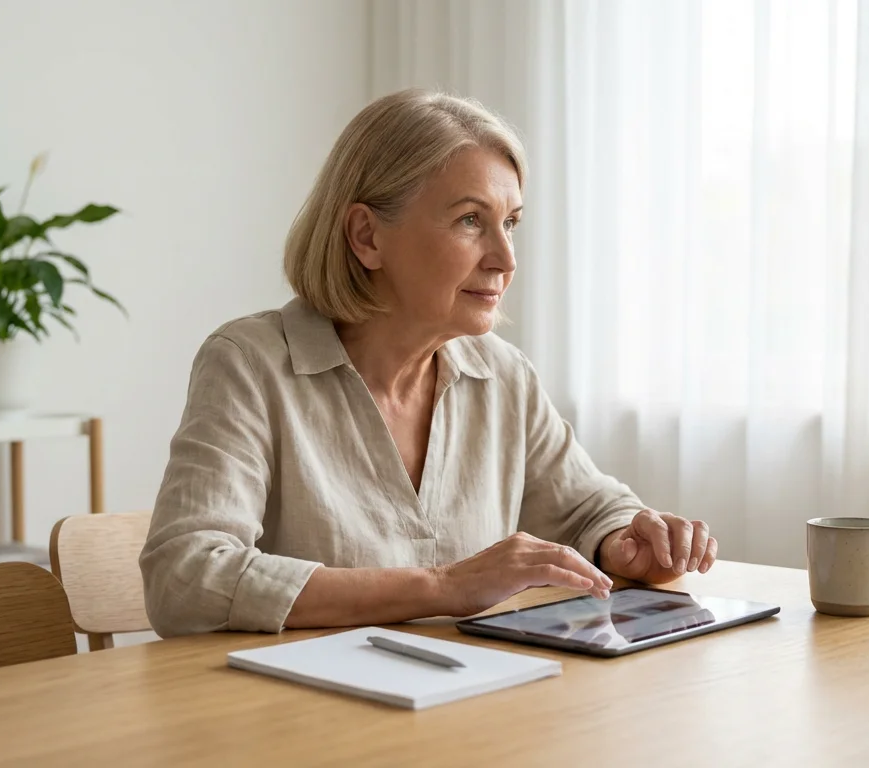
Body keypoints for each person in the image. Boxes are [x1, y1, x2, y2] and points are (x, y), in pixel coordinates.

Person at [139, 88, 719, 636]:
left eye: (510, 222)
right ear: (367, 236)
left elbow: (587, 507)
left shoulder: (503, 375)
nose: (505, 258)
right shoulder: (249, 364)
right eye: (471, 220)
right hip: (306, 724)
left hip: (467, 712)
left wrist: (623, 538)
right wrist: (441, 587)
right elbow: (185, 578)